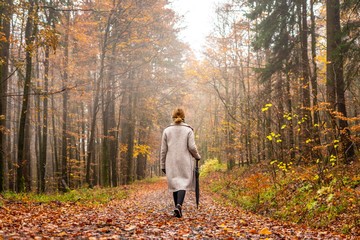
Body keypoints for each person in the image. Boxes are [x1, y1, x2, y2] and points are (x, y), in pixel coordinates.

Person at [160, 108, 201, 218]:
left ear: (172, 116)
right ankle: (178, 206)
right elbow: (192, 147)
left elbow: (163, 150)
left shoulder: (167, 130)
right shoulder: (188, 130)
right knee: (182, 183)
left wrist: (162, 164)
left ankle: (177, 208)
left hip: (171, 161)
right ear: (184, 117)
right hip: (185, 161)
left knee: (175, 183)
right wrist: (197, 156)